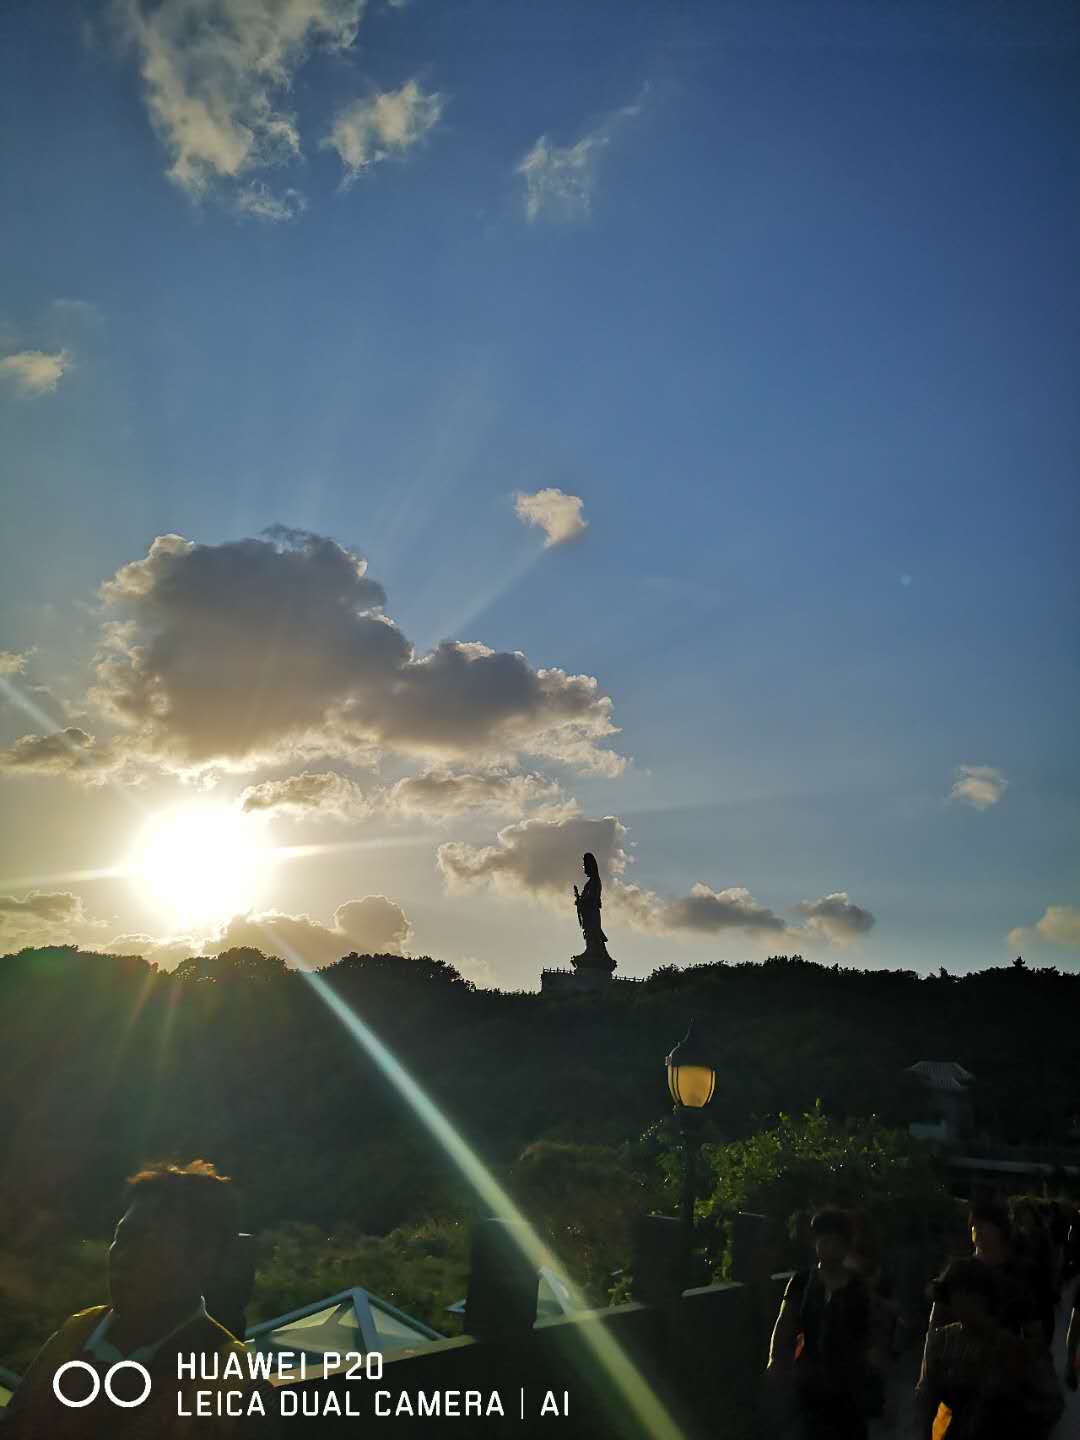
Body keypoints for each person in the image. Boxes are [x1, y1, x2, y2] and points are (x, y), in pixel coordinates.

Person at [2, 1160, 275, 1439]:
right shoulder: (76, 1331)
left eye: (145, 1242)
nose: (122, 1256)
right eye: (121, 1237)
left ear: (202, 1258)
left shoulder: (227, 1379)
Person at [767, 1207, 871, 1439]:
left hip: (848, 1385)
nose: (829, 1247)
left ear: (845, 1246)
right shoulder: (802, 1282)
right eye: (824, 1240)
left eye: (836, 1241)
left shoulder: (858, 1288)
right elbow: (785, 1322)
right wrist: (775, 1362)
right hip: (808, 1381)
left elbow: (869, 1334)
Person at [915, 1258, 1028, 1440]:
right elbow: (927, 1395)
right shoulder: (942, 1341)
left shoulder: (1006, 1345)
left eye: (969, 1296)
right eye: (957, 1296)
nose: (962, 1305)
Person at [572, 851, 614, 970]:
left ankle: (594, 951)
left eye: (585, 866)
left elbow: (592, 898)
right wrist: (579, 901)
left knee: (593, 932)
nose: (584, 869)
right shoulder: (590, 883)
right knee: (589, 933)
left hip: (592, 913)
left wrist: (582, 901)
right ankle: (591, 950)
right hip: (588, 913)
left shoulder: (595, 881)